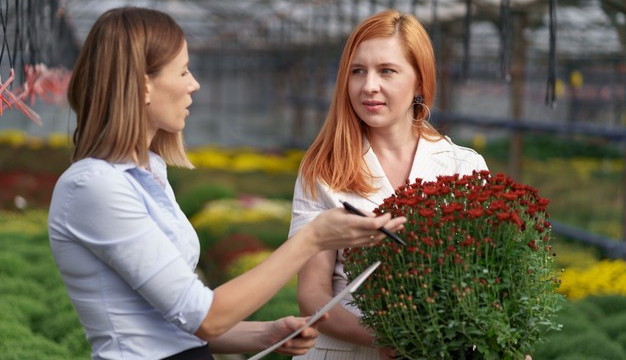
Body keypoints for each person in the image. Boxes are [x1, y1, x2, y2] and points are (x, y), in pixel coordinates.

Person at [47, 7, 406, 360]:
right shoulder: (94, 186)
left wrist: (262, 334)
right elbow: (204, 316)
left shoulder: (148, 174)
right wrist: (311, 239)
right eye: (184, 71)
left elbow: (172, 322)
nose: (194, 84)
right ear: (143, 86)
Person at [289, 10, 489, 360]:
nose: (369, 86)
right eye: (358, 71)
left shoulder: (465, 166)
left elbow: (484, 278)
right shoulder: (324, 168)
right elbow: (313, 293)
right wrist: (387, 338)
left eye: (387, 71)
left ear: (420, 82)